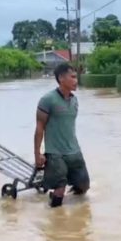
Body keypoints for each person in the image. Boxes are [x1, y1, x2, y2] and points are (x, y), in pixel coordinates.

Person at [34, 63, 90, 208]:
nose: (76, 80)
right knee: (60, 191)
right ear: (61, 78)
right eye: (72, 77)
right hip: (55, 153)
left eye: (76, 77)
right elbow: (40, 127)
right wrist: (37, 154)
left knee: (83, 186)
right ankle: (55, 221)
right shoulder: (48, 100)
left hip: (74, 150)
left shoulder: (74, 100)